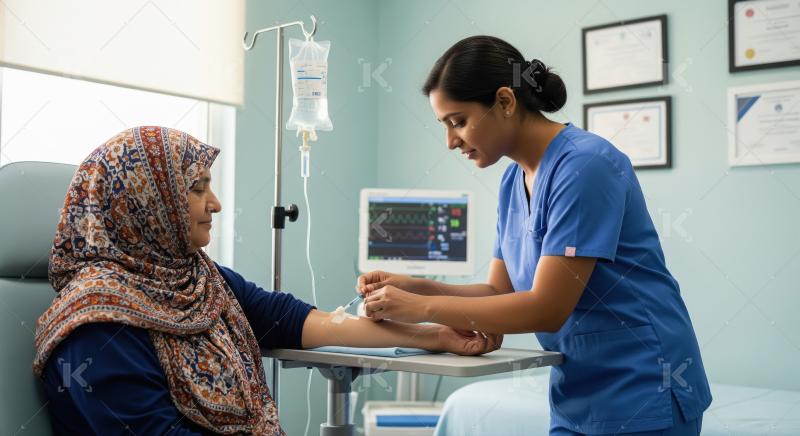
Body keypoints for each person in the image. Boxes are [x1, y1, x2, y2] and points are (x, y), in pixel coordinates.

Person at [33, 126, 499, 435]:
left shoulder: (198, 281)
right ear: (145, 204)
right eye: (197, 189)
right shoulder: (97, 325)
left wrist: (436, 336)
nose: (214, 203)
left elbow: (302, 321)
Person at [356, 36, 711, 435]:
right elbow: (497, 291)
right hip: (578, 391)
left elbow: (546, 307)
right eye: (445, 126)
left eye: (458, 121)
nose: (451, 141)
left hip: (645, 385)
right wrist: (416, 288)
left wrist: (421, 309)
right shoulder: (513, 180)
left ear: (505, 102)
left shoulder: (585, 165)